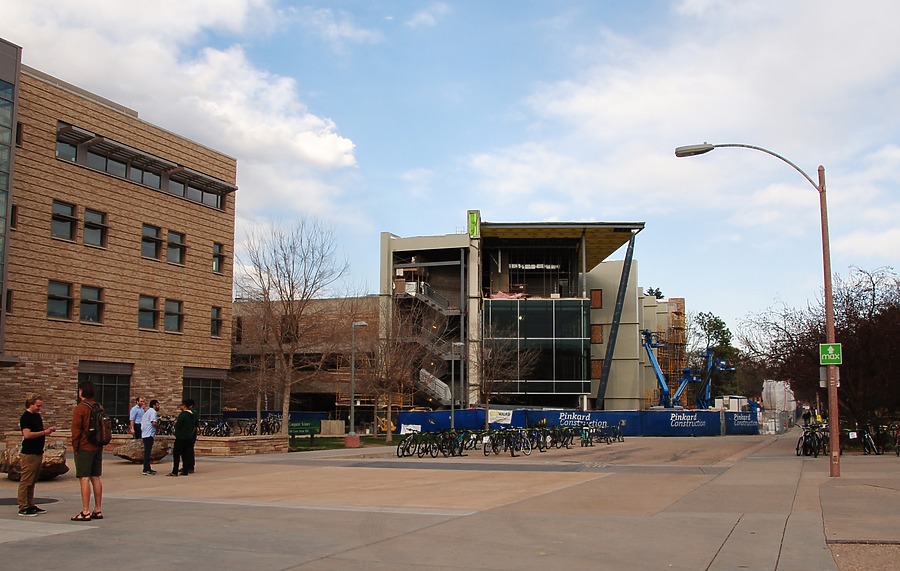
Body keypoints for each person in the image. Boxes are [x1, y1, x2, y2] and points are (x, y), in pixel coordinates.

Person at [18, 394, 57, 516]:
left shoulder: (37, 416)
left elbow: (39, 432)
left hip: (38, 452)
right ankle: (23, 506)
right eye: (38, 405)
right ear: (31, 404)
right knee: (26, 480)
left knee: (33, 480)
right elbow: (27, 435)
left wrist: (47, 431)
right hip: (29, 453)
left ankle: (30, 504)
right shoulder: (26, 417)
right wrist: (44, 432)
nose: (40, 408)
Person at [71, 381, 103, 521]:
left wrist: (75, 447)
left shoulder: (80, 408)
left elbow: (76, 430)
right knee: (95, 476)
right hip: (97, 445)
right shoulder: (98, 406)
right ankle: (98, 509)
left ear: (81, 391)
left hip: (85, 446)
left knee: (84, 477)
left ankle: (85, 511)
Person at [168, 399, 195, 477]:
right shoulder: (192, 415)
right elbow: (193, 426)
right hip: (189, 436)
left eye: (181, 405)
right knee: (186, 454)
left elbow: (178, 425)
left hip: (181, 437)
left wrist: (176, 426)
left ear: (184, 406)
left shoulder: (183, 415)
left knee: (176, 454)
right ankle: (185, 470)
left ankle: (175, 471)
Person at [141, 399, 160, 475]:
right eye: (157, 405)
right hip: (148, 435)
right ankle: (146, 469)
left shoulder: (148, 411)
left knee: (147, 452)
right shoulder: (153, 412)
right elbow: (153, 423)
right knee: (147, 452)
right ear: (154, 405)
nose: (158, 406)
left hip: (146, 434)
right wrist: (159, 427)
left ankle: (147, 467)